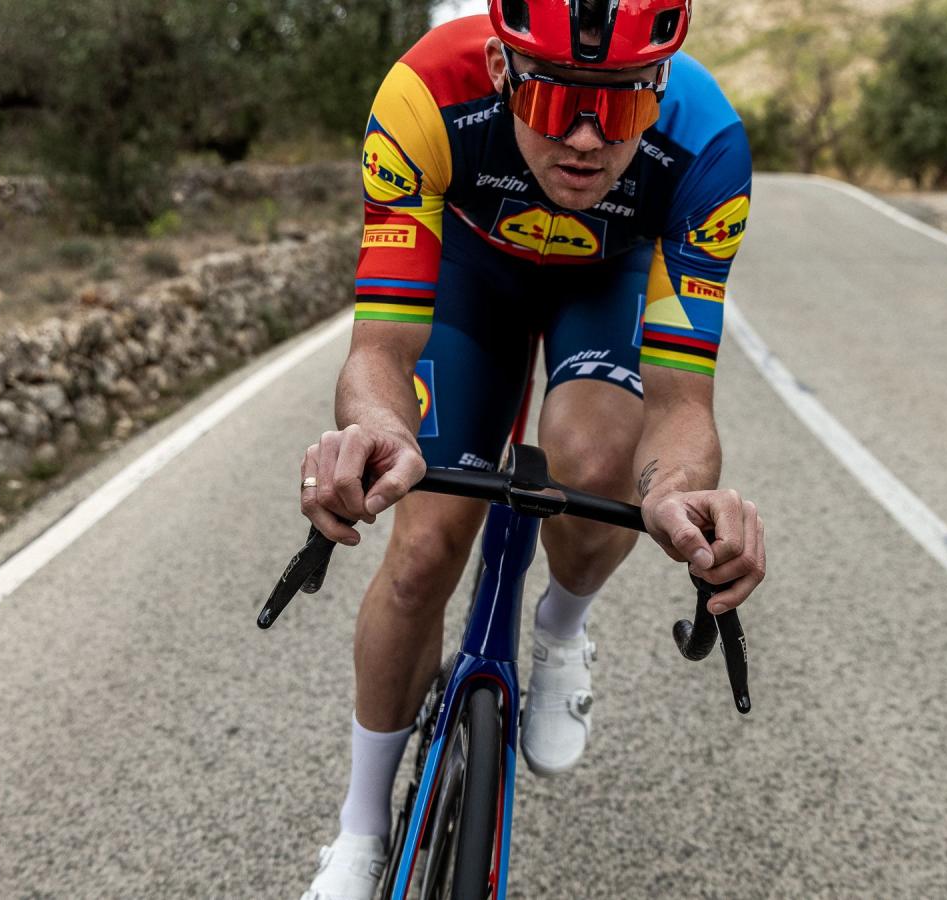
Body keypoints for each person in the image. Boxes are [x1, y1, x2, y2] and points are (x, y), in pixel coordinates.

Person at [300, 2, 765, 896]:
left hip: (608, 283)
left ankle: (561, 629)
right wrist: (379, 432)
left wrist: (678, 491)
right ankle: (360, 831)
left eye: (621, 107)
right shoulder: (425, 97)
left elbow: (680, 406)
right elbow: (380, 351)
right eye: (555, 103)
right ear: (500, 72)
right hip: (468, 281)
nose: (587, 139)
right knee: (423, 553)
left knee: (596, 468)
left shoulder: (706, 148)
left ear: (660, 88)